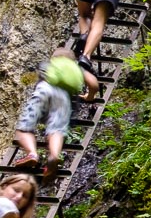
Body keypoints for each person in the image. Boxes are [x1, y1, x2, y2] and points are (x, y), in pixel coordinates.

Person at [11, 48, 99, 179]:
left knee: (24, 128)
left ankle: (32, 153)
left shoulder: (51, 65)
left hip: (44, 88)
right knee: (56, 130)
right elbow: (94, 84)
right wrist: (89, 96)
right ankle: (53, 155)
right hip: (63, 98)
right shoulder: (76, 68)